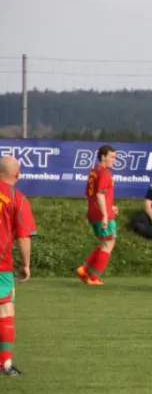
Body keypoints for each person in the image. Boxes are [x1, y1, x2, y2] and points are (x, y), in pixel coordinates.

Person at [0, 156, 36, 376]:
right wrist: (26, 264)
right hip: (1, 264)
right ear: (17, 175)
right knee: (5, 309)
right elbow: (23, 236)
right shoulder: (17, 198)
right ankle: (4, 364)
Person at [76, 145, 119, 286]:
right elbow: (100, 194)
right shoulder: (105, 173)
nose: (114, 159)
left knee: (104, 243)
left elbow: (92, 194)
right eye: (112, 156)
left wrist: (109, 206)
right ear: (103, 156)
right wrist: (105, 215)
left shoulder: (94, 171)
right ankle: (94, 276)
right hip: (101, 213)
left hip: (94, 211)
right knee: (108, 243)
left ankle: (85, 271)